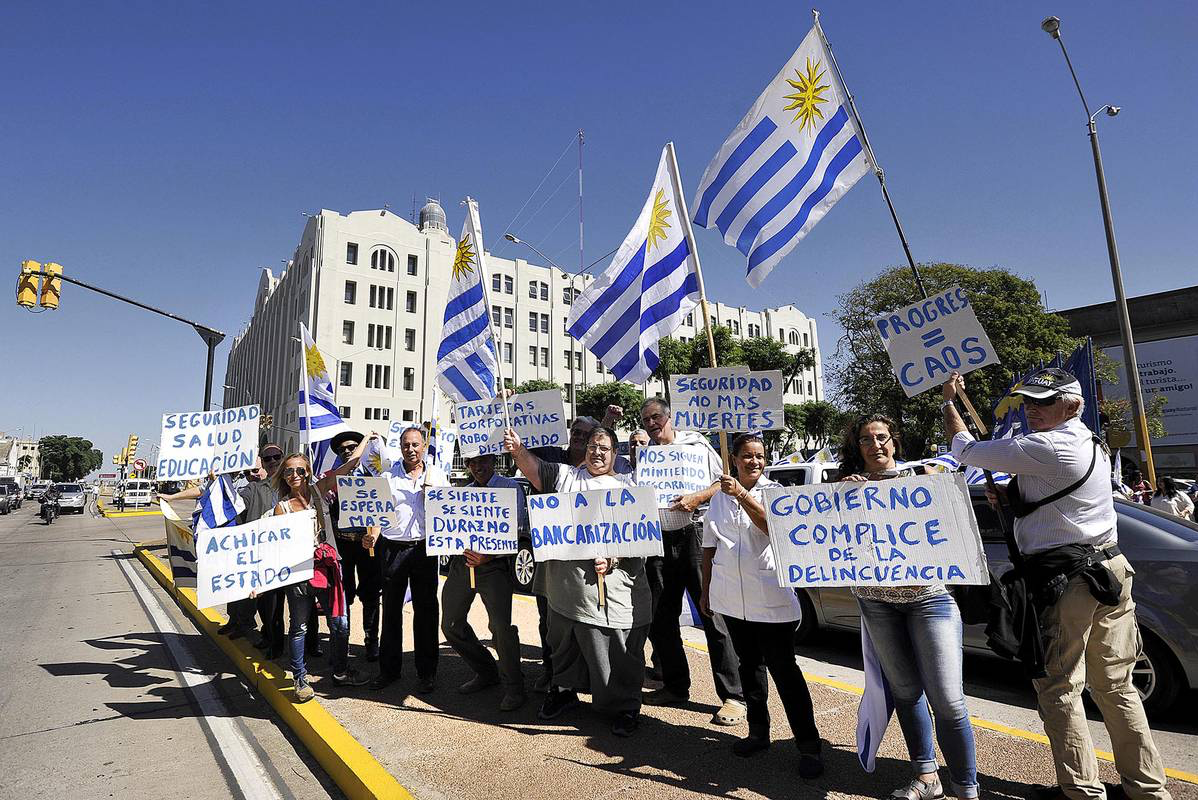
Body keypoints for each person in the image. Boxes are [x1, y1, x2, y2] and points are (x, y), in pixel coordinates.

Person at [945, 368, 1171, 800]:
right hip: (1108, 571)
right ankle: (1147, 789)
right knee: (1116, 686)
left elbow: (964, 449)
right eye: (1029, 400)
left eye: (1044, 402)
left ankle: (1080, 792)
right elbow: (1061, 500)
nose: (1032, 409)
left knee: (1059, 687)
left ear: (1072, 406)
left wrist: (949, 402)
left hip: (1070, 582)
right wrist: (1013, 498)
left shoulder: (1048, 445)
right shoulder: (1092, 443)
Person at [839, 414, 978, 800]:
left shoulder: (920, 478)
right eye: (866, 439)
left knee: (948, 700)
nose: (875, 445)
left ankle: (967, 787)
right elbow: (834, 541)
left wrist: (938, 488)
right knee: (905, 692)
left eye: (882, 437)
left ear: (894, 441)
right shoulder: (847, 488)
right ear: (857, 447)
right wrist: (840, 500)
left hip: (930, 600)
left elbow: (955, 522)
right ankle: (926, 777)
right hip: (877, 603)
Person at [506, 425, 649, 737]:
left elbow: (640, 533)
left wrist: (614, 558)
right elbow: (534, 469)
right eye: (592, 446)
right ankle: (564, 691)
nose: (597, 452)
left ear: (615, 453)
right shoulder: (566, 476)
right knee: (563, 644)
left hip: (611, 585)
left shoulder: (629, 485)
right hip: (564, 589)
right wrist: (518, 450)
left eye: (604, 448)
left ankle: (625, 706)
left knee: (617, 648)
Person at [699, 433, 824, 778]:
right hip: (732, 598)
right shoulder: (718, 498)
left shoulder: (774, 492)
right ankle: (758, 733)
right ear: (734, 460)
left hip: (770, 599)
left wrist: (741, 494)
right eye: (747, 456)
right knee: (749, 667)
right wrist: (706, 590)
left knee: (785, 671)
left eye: (760, 456)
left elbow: (773, 528)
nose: (754, 461)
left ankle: (809, 745)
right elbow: (709, 546)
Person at [638, 398, 746, 726]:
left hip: (695, 537)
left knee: (712, 613)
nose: (651, 424)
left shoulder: (695, 444)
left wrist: (698, 497)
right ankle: (675, 686)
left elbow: (722, 481)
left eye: (656, 417)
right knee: (661, 617)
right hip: (658, 540)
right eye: (646, 420)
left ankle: (733, 696)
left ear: (669, 417)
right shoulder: (645, 452)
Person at [270, 451, 371, 702]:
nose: (294, 475)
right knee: (299, 627)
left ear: (308, 473)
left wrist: (367, 440)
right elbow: (275, 548)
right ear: (283, 475)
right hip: (298, 574)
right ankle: (300, 679)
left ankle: (340, 671)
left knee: (339, 623)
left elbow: (347, 467)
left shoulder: (319, 491)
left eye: (300, 470)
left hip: (328, 569)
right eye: (289, 471)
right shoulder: (281, 508)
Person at [364, 426, 449, 694]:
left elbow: (449, 512)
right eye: (405, 445)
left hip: (424, 550)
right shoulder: (388, 477)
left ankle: (427, 673)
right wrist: (372, 537)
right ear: (400, 447)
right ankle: (389, 670)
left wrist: (432, 496)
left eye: (415, 444)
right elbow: (378, 514)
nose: (410, 449)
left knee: (426, 611)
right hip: (393, 549)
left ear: (423, 445)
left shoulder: (437, 475)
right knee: (391, 611)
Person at [440, 454, 527, 711]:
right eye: (472, 463)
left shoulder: (510, 488)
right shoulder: (463, 493)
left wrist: (488, 556)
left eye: (483, 461)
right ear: (467, 466)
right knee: (451, 624)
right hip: (462, 565)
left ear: (493, 461)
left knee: (500, 628)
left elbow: (516, 529)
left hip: (494, 567)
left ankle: (515, 687)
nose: (478, 467)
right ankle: (487, 671)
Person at [327, 430, 382, 661]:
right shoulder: (333, 478)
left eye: (352, 447)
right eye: (342, 450)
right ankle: (343, 642)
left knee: (370, 595)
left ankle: (371, 641)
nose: (347, 451)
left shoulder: (374, 474)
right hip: (343, 546)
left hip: (368, 544)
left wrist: (374, 536)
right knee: (344, 595)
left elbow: (381, 509)